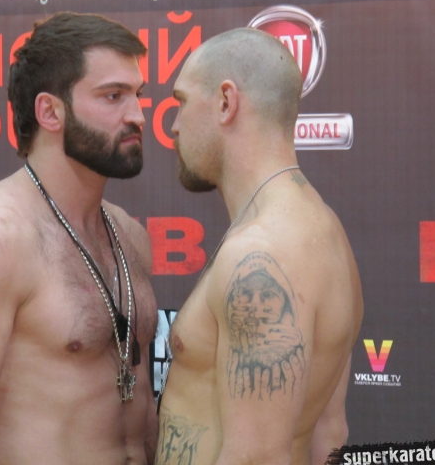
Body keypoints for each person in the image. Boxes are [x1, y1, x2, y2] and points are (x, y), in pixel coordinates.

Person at [0, 12, 158, 465]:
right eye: (113, 96)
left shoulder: (129, 235)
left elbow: (141, 400)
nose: (138, 115)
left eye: (138, 95)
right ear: (50, 111)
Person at [156, 28, 363, 465]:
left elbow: (256, 458)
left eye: (182, 102)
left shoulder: (261, 252)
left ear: (226, 103)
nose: (173, 125)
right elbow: (329, 431)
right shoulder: (327, 232)